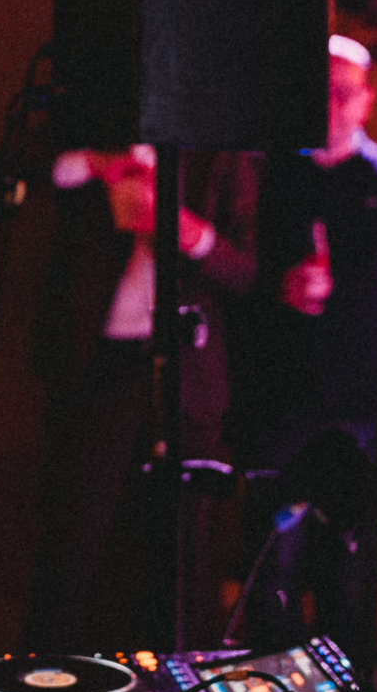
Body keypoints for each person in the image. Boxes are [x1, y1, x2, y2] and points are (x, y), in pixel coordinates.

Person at [230, 35, 377, 657]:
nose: (333, 106)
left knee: (349, 576)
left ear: (366, 101)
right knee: (272, 574)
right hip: (280, 402)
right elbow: (235, 283)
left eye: (345, 93)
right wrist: (277, 288)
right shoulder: (268, 174)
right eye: (323, 92)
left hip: (362, 407)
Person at [25, 142, 258, 652]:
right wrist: (96, 165)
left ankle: (183, 682)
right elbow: (14, 169)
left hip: (188, 367)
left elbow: (247, 268)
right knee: (75, 538)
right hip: (103, 359)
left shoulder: (217, 152)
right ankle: (54, 680)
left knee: (186, 547)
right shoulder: (100, 131)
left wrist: (188, 232)